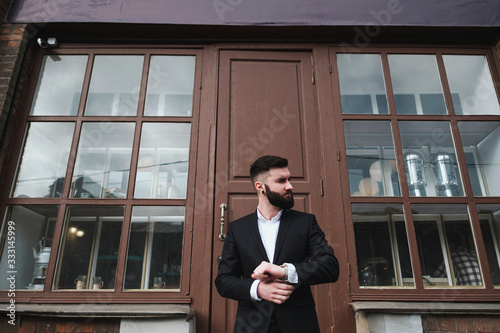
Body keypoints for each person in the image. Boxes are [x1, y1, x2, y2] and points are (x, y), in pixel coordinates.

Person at [215, 155, 339, 333]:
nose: (290, 186)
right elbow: (223, 281)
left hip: (299, 325)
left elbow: (331, 266)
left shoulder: (306, 222)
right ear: (260, 187)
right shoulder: (237, 229)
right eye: (281, 181)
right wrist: (257, 289)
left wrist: (285, 271)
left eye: (289, 179)